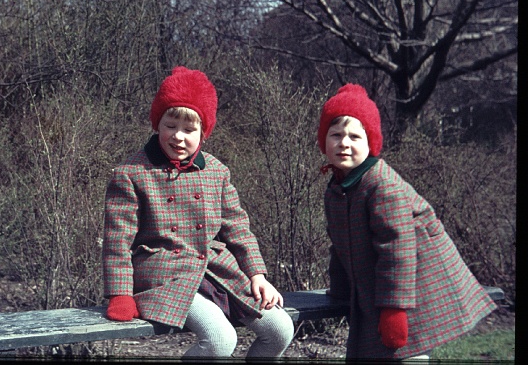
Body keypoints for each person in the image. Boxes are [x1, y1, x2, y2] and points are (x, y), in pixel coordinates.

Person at [102, 66, 294, 359]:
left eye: (189, 130)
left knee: (280, 329)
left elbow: (238, 227)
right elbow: (118, 242)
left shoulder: (216, 171)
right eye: (170, 125)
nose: (178, 137)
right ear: (157, 123)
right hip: (163, 275)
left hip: (216, 270)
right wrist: (120, 293)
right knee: (220, 339)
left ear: (203, 132)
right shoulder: (131, 174)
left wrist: (257, 274)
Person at [318, 83, 497, 360]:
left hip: (416, 284)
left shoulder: (381, 185)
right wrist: (340, 289)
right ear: (324, 141)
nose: (344, 143)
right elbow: (340, 243)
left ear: (371, 144)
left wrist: (394, 310)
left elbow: (396, 250)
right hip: (382, 287)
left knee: (406, 351)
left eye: (355, 136)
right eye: (336, 134)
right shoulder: (338, 188)